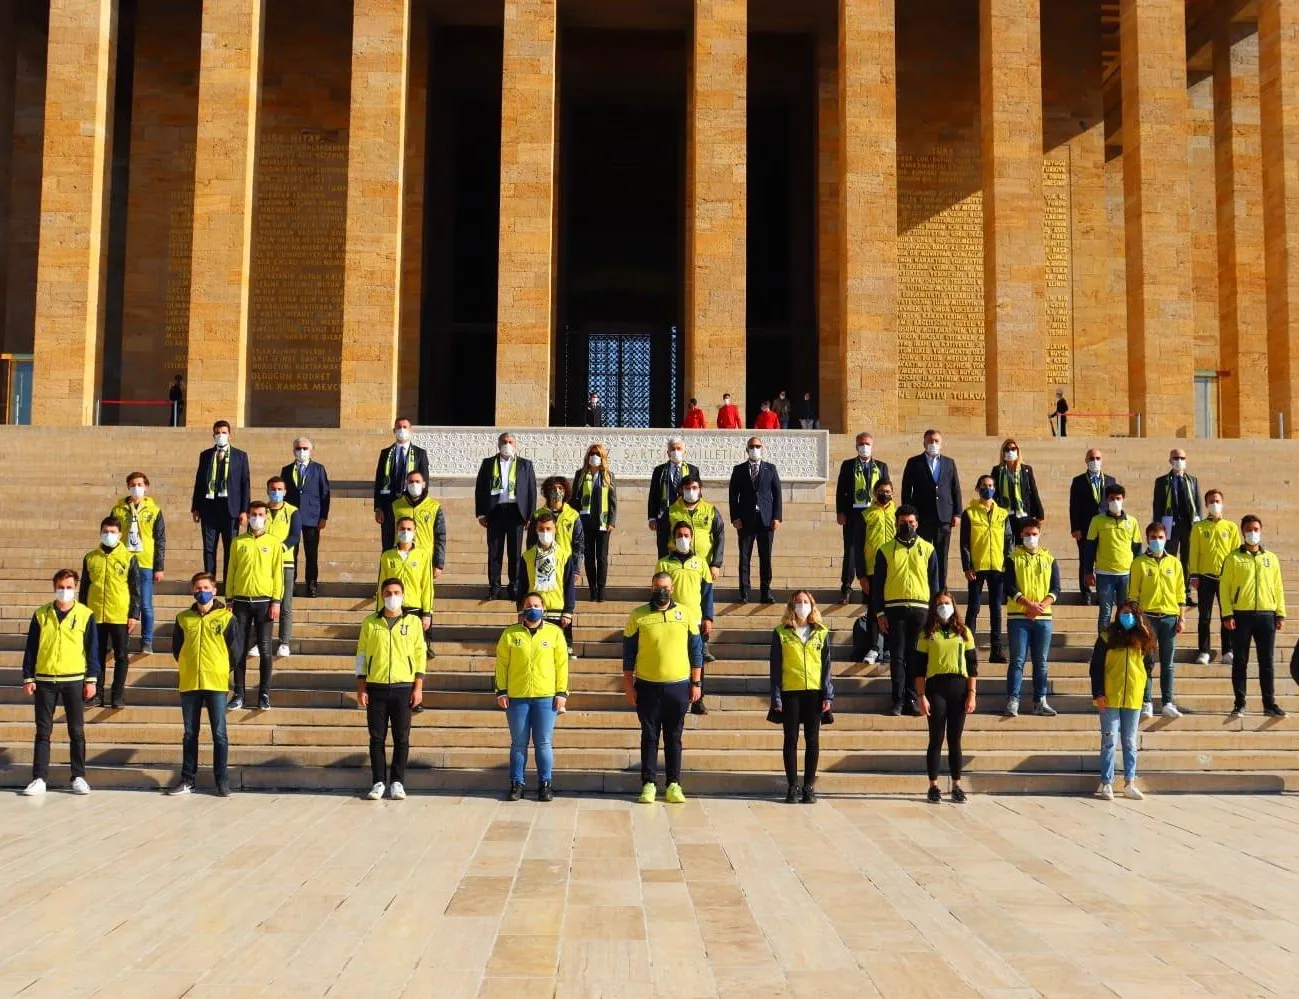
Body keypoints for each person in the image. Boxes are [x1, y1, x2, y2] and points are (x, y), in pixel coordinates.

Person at [623, 571, 704, 804]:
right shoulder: (638, 615)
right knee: (649, 735)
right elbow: (628, 653)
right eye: (658, 587)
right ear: (651, 588)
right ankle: (648, 783)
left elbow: (696, 651)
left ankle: (673, 784)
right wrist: (629, 685)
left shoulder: (685, 614)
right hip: (648, 685)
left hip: (678, 685)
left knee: (674, 736)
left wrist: (696, 682)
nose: (662, 591)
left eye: (666, 587)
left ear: (672, 589)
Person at [20, 569, 100, 796]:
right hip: (44, 680)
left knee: (76, 731)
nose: (64, 591)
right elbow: (31, 648)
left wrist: (91, 679)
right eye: (61, 587)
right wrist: (28, 676)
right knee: (43, 731)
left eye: (69, 587)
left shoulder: (85, 614)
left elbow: (92, 649)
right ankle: (39, 778)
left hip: (74, 680)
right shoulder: (41, 614)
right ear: (54, 587)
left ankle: (78, 776)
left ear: (75, 588)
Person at [355, 578, 427, 801]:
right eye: (388, 592)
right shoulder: (370, 622)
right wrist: (361, 686)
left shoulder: (413, 623)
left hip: (403, 686)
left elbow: (419, 655)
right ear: (381, 595)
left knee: (401, 737)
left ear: (403, 595)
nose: (392, 596)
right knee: (376, 737)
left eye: (396, 592)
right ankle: (378, 781)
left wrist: (418, 687)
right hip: (376, 686)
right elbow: (362, 655)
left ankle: (397, 782)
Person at [167, 572, 235, 796]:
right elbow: (177, 648)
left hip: (215, 681)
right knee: (189, 733)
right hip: (190, 682)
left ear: (214, 591)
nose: (202, 592)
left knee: (219, 733)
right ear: (192, 590)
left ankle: (221, 781)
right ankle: (188, 779)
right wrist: (188, 665)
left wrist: (222, 668)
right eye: (198, 588)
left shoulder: (226, 617)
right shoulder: (183, 618)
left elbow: (236, 650)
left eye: (206, 588)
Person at [496, 593, 569, 801]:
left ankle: (545, 784)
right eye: (528, 605)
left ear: (543, 608)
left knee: (543, 743)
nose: (533, 608)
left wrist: (562, 692)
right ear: (522, 608)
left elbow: (562, 665)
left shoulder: (554, 633)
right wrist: (501, 690)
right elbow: (501, 665)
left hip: (545, 697)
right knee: (518, 743)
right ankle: (517, 783)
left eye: (536, 605)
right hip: (517, 696)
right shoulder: (510, 634)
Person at [873, 505, 939, 716]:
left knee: (916, 657)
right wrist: (879, 613)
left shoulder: (928, 549)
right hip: (895, 608)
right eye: (903, 522)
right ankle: (898, 699)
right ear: (896, 523)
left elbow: (935, 583)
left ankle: (913, 697)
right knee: (898, 657)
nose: (907, 526)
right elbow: (877, 585)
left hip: (921, 608)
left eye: (911, 522)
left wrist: (935, 613)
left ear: (917, 524)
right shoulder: (885, 549)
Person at [769, 590, 832, 804]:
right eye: (798, 602)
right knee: (791, 740)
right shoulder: (781, 632)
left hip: (814, 692)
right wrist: (776, 697)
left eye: (806, 602)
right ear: (791, 606)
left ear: (812, 606)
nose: (802, 606)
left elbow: (827, 667)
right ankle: (792, 786)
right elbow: (775, 668)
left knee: (812, 741)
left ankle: (809, 787)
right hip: (791, 691)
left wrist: (828, 694)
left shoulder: (821, 632)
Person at [1221, 516, 1287, 718]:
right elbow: (1224, 587)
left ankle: (1270, 703)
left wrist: (1280, 613)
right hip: (1241, 615)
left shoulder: (1271, 558)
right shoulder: (1233, 558)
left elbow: (1278, 586)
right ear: (1242, 531)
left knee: (1266, 661)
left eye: (1256, 529)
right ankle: (1239, 703)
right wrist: (1227, 613)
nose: (1253, 533)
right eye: (1249, 529)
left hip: (1266, 615)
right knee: (1240, 661)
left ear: (1261, 530)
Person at [1090, 601, 1155, 800]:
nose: (1127, 617)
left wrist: (1145, 696)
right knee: (1109, 739)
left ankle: (1129, 782)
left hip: (1133, 697)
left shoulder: (1143, 639)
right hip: (1110, 696)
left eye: (1131, 614)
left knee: (1130, 741)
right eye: (1124, 613)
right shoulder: (1106, 636)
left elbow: (1149, 667)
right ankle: (1106, 782)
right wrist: (1098, 693)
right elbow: (1096, 667)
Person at [915, 591, 977, 804]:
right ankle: (933, 785)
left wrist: (971, 694)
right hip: (936, 688)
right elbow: (918, 669)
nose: (944, 607)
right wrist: (921, 696)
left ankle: (957, 785)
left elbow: (972, 666)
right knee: (936, 738)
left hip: (959, 687)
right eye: (940, 604)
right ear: (934, 608)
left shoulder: (964, 632)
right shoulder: (927, 633)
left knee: (955, 739)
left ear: (953, 605)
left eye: (947, 603)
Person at [225, 501, 285, 711]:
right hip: (241, 601)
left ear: (266, 517)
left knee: (266, 649)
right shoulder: (238, 542)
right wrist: (229, 598)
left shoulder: (274, 543)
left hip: (264, 602)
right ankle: (239, 693)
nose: (256, 518)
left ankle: (264, 694)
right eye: (253, 514)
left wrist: (276, 600)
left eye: (260, 514)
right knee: (239, 650)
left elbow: (278, 574)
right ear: (247, 516)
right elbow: (231, 570)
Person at [79, 516, 141, 708]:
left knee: (121, 655)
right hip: (95, 614)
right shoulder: (91, 558)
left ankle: (117, 695)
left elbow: (135, 589)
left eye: (113, 532)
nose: (109, 535)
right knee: (96, 655)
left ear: (120, 535)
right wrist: (82, 613)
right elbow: (84, 588)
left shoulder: (129, 558)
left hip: (119, 614)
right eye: (105, 531)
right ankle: (97, 694)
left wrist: (134, 614)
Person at [655, 522, 716, 714]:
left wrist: (708, 617)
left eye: (686, 535)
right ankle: (678, 698)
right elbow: (658, 591)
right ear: (674, 539)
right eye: (679, 535)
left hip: (695, 620)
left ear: (692, 538)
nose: (683, 538)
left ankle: (698, 700)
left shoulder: (701, 563)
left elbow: (707, 594)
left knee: (697, 660)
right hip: (672, 619)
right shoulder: (664, 563)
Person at [1004, 518, 1061, 718]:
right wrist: (1028, 605)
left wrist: (1041, 606)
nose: (1031, 538)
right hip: (1019, 616)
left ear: (1040, 534)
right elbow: (1009, 586)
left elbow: (1056, 588)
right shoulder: (1012, 558)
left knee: (1041, 661)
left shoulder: (1049, 559)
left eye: (1034, 534)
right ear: (1021, 535)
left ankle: (1041, 700)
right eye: (1027, 534)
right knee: (1018, 660)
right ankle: (1013, 699)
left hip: (1043, 618)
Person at [1129, 522, 1186, 719]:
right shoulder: (1139, 563)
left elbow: (1180, 593)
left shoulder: (1174, 563)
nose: (1157, 541)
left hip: (1169, 617)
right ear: (1147, 539)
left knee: (1168, 663)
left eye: (1160, 537)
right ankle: (1146, 701)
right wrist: (1138, 620)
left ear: (1166, 538)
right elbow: (1133, 594)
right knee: (1147, 661)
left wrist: (1182, 617)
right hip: (1148, 617)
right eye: (1153, 537)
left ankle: (1167, 701)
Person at [474, 431, 537, 600]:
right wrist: (481, 513)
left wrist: (530, 515)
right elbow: (480, 489)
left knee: (515, 552)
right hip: (495, 511)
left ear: (515, 445)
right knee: (494, 551)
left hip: (516, 512)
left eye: (510, 441)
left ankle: (514, 586)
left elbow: (531, 491)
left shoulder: (525, 464)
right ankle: (494, 587)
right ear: (498, 444)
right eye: (504, 441)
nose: (507, 444)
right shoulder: (488, 464)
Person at [960, 474, 1013, 664]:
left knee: (995, 608)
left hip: (997, 566)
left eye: (990, 485)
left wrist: (1008, 564)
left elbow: (1008, 541)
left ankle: (996, 649)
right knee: (973, 607)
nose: (987, 488)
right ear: (978, 488)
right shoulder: (970, 513)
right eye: (984, 485)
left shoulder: (1002, 514)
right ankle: (967, 648)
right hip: (977, 565)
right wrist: (967, 566)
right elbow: (964, 542)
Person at [111, 471, 165, 654]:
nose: (136, 487)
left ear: (146, 486)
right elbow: (111, 533)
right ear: (128, 487)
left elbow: (160, 539)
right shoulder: (118, 510)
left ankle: (147, 641)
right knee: (122, 602)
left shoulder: (154, 510)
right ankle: (119, 641)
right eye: (133, 484)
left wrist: (159, 566)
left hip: (145, 562)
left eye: (140, 484)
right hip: (123, 562)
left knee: (145, 604)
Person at [901, 429, 962, 591]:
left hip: (944, 517)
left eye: (936, 441)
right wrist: (907, 514)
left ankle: (942, 588)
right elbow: (907, 489)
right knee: (922, 553)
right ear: (924, 443)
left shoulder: (949, 463)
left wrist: (957, 513)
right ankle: (924, 585)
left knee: (942, 555)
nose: (933, 444)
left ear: (941, 443)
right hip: (922, 517)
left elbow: (955, 488)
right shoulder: (914, 462)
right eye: (930, 441)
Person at [390, 471, 447, 645]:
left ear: (423, 484)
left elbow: (440, 536)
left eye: (417, 481)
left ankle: (426, 642)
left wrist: (439, 563)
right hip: (401, 556)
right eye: (411, 481)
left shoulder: (434, 506)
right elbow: (388, 532)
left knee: (425, 598)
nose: (414, 484)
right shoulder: (397, 505)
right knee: (399, 596)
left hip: (424, 560)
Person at [190, 419, 250, 582]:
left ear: (229, 435)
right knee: (209, 548)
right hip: (209, 508)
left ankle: (229, 581)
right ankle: (210, 579)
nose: (220, 435)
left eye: (224, 432)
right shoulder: (206, 455)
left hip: (231, 510)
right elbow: (200, 482)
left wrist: (244, 511)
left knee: (230, 548)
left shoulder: (240, 456)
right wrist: (195, 507)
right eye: (217, 433)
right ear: (213, 435)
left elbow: (245, 484)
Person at [835, 432, 890, 603]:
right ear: (856, 446)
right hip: (853, 514)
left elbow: (887, 490)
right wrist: (840, 511)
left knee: (876, 550)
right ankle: (846, 588)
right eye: (861, 444)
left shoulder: (880, 466)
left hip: (874, 514)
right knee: (850, 550)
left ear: (872, 446)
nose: (864, 447)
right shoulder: (848, 465)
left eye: (867, 443)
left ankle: (878, 585)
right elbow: (841, 489)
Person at [1188, 489, 1241, 665]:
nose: (1214, 504)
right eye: (1211, 501)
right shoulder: (1199, 527)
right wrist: (1194, 574)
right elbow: (1193, 552)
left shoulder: (1231, 527)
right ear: (1206, 505)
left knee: (1227, 614)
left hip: (1226, 578)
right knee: (1205, 616)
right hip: (1205, 577)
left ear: (1222, 503)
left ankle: (1228, 649)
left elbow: (1236, 554)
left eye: (1217, 501)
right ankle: (1204, 650)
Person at [728, 436, 783, 603]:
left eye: (758, 446)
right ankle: (744, 592)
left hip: (766, 520)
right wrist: (735, 517)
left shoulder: (770, 469)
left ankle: (766, 592)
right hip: (745, 519)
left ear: (762, 448)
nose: (755, 449)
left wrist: (777, 517)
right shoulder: (739, 470)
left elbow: (777, 494)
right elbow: (732, 495)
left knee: (765, 557)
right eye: (752, 446)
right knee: (744, 557)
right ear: (747, 449)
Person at [1084, 484, 1143, 634]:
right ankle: (1102, 648)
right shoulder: (1097, 521)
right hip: (1105, 574)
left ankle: (1125, 644)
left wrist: (1139, 575)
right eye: (1111, 499)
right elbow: (1089, 548)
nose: (1115, 501)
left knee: (1126, 612)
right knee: (1105, 611)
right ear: (1106, 500)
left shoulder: (1132, 522)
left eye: (1118, 498)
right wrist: (1088, 571)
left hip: (1126, 574)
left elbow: (1137, 550)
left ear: (1123, 499)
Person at [518, 510, 578, 652]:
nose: (545, 532)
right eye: (541, 529)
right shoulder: (527, 556)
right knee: (536, 652)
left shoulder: (564, 555)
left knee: (560, 654)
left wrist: (568, 611)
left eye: (548, 529)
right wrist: (521, 610)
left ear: (555, 529)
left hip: (558, 612)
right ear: (536, 530)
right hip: (534, 612)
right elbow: (522, 585)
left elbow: (569, 584)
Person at [282, 436, 330, 597]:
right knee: (291, 553)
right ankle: (291, 584)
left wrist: (323, 516)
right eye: (298, 448)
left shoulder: (318, 469)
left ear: (311, 451)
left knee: (311, 553)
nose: (301, 451)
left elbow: (325, 493)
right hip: (292, 516)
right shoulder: (286, 470)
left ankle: (312, 585)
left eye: (305, 448)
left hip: (312, 516)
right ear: (293, 450)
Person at [1152, 448, 1201, 604]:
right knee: (1169, 558)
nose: (1179, 460)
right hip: (1169, 523)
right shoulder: (1162, 481)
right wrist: (1158, 526)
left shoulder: (1192, 480)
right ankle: (1169, 591)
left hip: (1188, 523)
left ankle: (1185, 593)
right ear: (1170, 460)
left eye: (1182, 457)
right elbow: (1157, 505)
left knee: (1187, 559)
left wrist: (1199, 524)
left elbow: (1197, 503)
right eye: (1176, 457)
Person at [373, 417, 430, 552]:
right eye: (399, 427)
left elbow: (424, 482)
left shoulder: (419, 454)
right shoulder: (386, 453)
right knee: (388, 544)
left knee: (408, 544)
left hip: (409, 505)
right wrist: (378, 507)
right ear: (394, 430)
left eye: (405, 427)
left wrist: (420, 505)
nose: (402, 430)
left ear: (410, 431)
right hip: (388, 506)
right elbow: (379, 481)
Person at [1068, 448, 1116, 605]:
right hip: (1085, 527)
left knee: (1103, 560)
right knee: (1085, 559)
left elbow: (1114, 504)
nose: (1094, 461)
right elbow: (1073, 506)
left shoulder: (1110, 480)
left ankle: (1103, 592)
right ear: (1086, 460)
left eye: (1097, 458)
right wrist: (1075, 527)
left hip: (1105, 527)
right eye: (1091, 458)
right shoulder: (1079, 481)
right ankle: (1086, 592)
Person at [573, 443, 618, 602]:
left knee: (602, 557)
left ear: (603, 457)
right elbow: (574, 500)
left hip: (603, 521)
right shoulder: (580, 474)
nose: (594, 456)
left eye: (598, 454)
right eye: (592, 453)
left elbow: (613, 501)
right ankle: (592, 589)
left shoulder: (608, 475)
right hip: (585, 521)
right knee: (589, 557)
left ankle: (601, 590)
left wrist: (611, 520)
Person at [858, 480, 896, 664]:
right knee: (874, 609)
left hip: (895, 569)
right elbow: (857, 547)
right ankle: (874, 647)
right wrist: (861, 575)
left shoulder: (899, 513)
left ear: (893, 493)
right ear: (874, 492)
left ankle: (889, 646)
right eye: (881, 491)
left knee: (892, 609)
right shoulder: (866, 515)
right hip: (872, 569)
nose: (885, 494)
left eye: (888, 491)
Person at [264, 477, 300, 659]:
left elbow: (294, 536)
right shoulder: (261, 511)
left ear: (285, 491)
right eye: (272, 489)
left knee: (285, 605)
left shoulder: (292, 511)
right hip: (263, 564)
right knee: (263, 604)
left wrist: (280, 548)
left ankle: (284, 642)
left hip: (285, 563)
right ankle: (260, 641)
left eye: (279, 489)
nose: (276, 492)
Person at [648, 437, 701, 556]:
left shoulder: (692, 470)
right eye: (672, 449)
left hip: (685, 514)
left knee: (685, 549)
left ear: (684, 451)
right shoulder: (659, 470)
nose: (675, 451)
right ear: (668, 452)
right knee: (664, 550)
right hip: (664, 516)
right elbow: (654, 494)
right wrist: (652, 517)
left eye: (678, 448)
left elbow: (698, 494)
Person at [666, 476, 725, 579]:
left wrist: (716, 564)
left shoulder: (710, 510)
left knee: (705, 594)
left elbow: (720, 537)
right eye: (687, 488)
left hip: (705, 564)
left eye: (694, 488)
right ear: (681, 489)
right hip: (679, 565)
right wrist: (665, 561)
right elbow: (662, 537)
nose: (691, 491)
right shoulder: (671, 511)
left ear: (700, 489)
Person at [991, 438, 1045, 540]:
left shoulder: (1026, 469)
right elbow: (994, 493)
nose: (1010, 451)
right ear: (1002, 452)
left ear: (1018, 450)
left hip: (1023, 513)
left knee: (1022, 543)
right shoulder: (997, 470)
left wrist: (1039, 513)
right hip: (1005, 514)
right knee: (1007, 544)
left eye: (1013, 449)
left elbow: (1033, 491)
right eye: (1006, 449)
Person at [530, 476, 585, 570]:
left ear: (565, 491)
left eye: (560, 488)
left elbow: (579, 544)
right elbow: (531, 542)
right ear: (548, 491)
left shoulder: (573, 515)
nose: (557, 491)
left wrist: (576, 569)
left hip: (566, 563)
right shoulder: (537, 514)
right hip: (543, 563)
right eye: (553, 488)